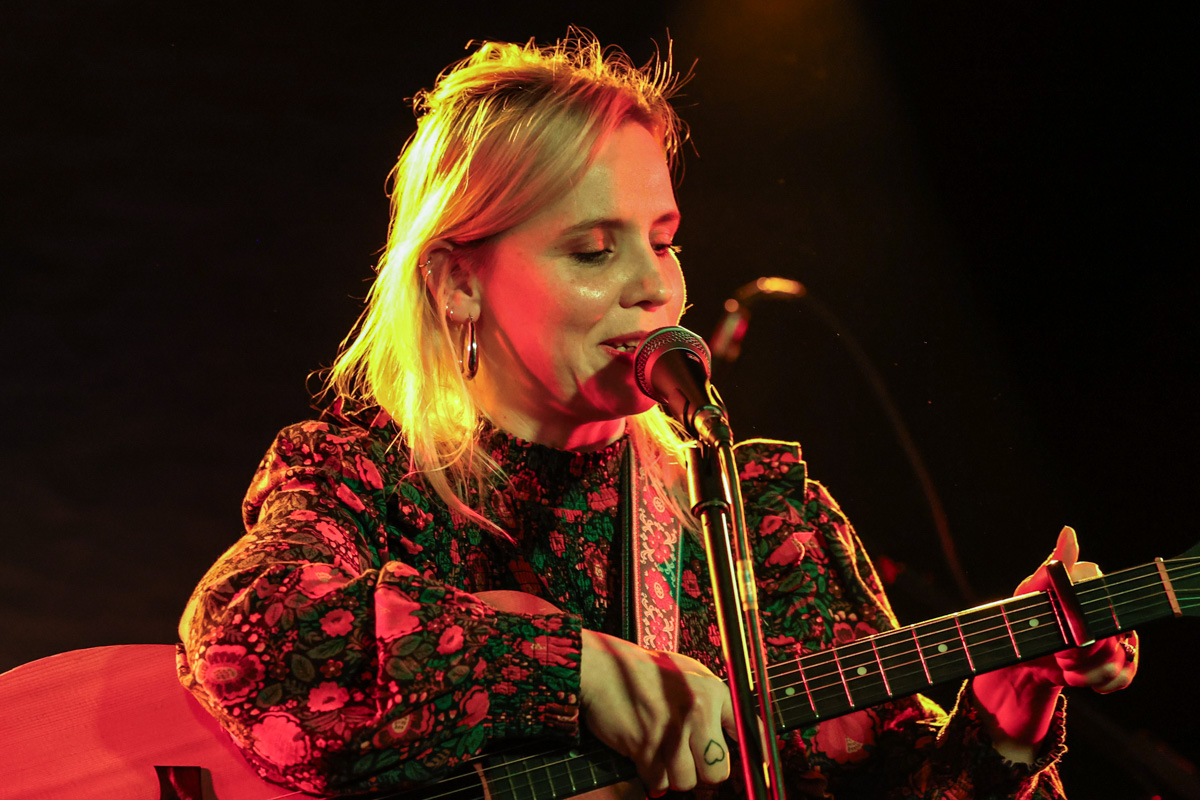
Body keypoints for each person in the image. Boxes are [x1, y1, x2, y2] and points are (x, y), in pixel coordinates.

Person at [177, 32, 1138, 799]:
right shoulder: (366, 480)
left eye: (665, 241)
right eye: (593, 250)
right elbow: (242, 639)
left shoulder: (764, 514)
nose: (654, 287)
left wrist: (1006, 719)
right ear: (459, 281)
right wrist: (573, 673)